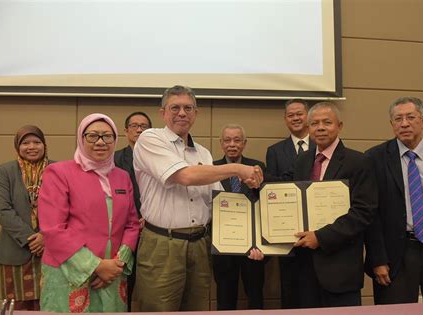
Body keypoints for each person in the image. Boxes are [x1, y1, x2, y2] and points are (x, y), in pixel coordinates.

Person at [133, 85, 264, 312]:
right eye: (175, 107)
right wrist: (237, 169)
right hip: (164, 245)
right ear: (162, 112)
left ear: (196, 113)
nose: (182, 113)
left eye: (188, 108)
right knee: (158, 308)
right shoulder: (150, 139)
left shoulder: (203, 153)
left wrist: (251, 241)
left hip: (200, 246)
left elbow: (219, 204)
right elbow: (184, 175)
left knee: (198, 308)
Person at [38, 113, 140, 312]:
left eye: (107, 136)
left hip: (111, 276)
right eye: (92, 136)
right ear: (81, 138)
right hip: (69, 274)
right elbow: (53, 229)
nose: (100, 142)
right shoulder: (59, 172)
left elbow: (132, 224)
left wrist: (116, 265)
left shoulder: (122, 177)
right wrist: (96, 266)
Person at [364, 96, 423, 304]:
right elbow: (371, 216)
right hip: (396, 254)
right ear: (391, 124)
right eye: (398, 119)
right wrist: (377, 259)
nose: (404, 123)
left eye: (411, 117)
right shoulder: (374, 159)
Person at [292, 101, 377, 307]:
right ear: (308, 128)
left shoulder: (358, 161)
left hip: (340, 269)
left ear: (340, 126)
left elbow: (363, 212)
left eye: (327, 122)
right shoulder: (302, 161)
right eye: (314, 123)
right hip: (305, 269)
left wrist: (320, 237)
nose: (320, 127)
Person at [0, 125, 50, 310]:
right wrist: (32, 239)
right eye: (25, 143)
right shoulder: (6, 171)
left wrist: (45, 236)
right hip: (15, 249)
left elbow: (67, 208)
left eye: (37, 142)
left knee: (49, 303)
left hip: (51, 249)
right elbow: (3, 209)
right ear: (18, 146)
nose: (31, 146)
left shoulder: (58, 169)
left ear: (44, 145)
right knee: (16, 307)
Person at [212, 123, 267, 310]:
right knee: (225, 297)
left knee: (255, 296)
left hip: (252, 247)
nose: (232, 144)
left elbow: (265, 203)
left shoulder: (257, 168)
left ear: (244, 143)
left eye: (237, 140)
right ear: (221, 143)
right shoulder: (212, 169)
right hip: (223, 245)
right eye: (227, 140)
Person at [265, 98, 311, 308]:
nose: (295, 118)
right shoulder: (274, 151)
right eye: (291, 115)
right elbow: (272, 189)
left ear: (308, 116)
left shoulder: (323, 145)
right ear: (285, 119)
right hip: (287, 231)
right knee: (290, 288)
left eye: (299, 113)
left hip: (321, 229)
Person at [114, 111, 152, 311]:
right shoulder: (115, 158)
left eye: (144, 126)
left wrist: (150, 216)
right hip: (124, 230)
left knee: (152, 287)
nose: (139, 129)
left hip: (154, 229)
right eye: (134, 126)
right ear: (126, 130)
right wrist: (134, 217)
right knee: (124, 284)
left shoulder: (158, 158)